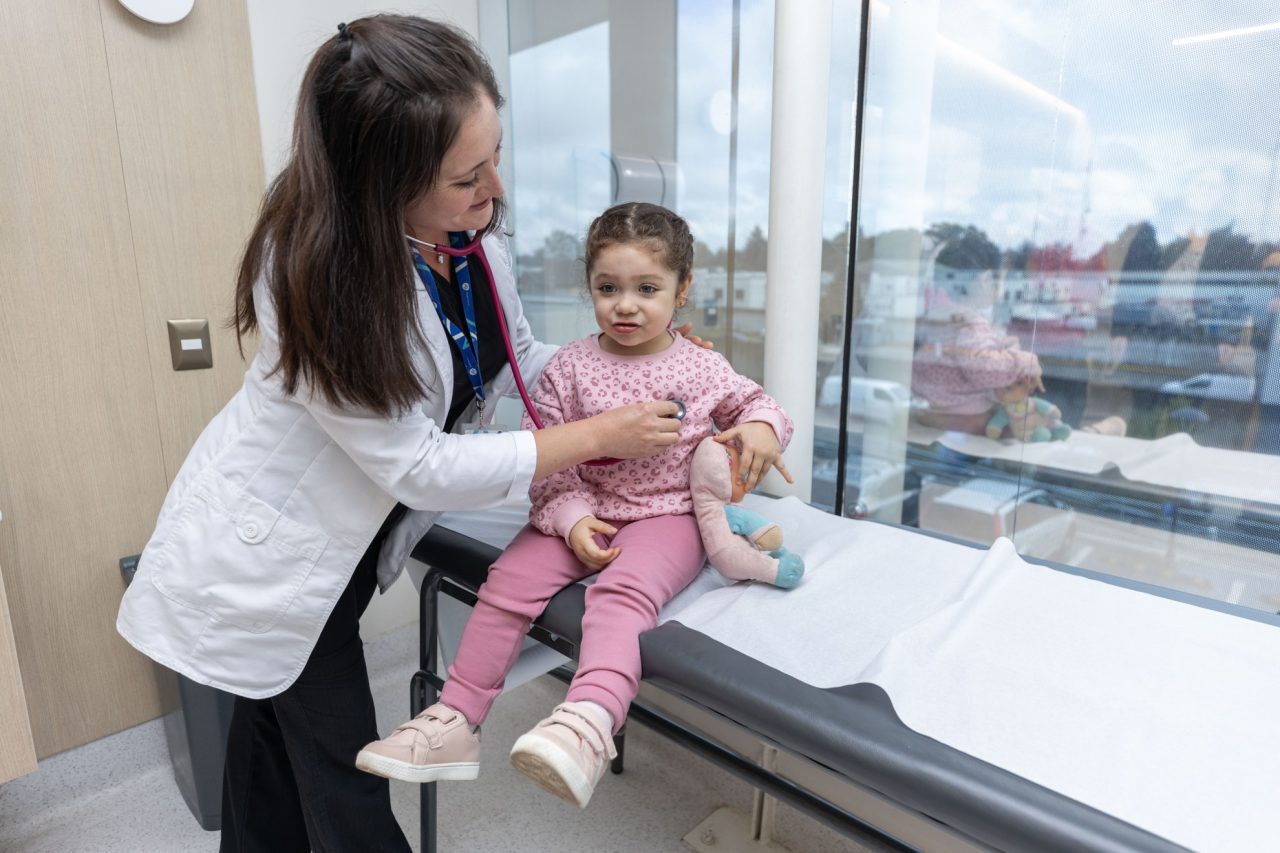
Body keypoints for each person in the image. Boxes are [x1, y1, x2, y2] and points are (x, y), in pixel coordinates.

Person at [115, 17, 699, 853]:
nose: (496, 188)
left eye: (496, 154)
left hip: (346, 552)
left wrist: (634, 365)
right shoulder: (315, 274)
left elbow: (523, 357)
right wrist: (600, 432)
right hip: (270, 555)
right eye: (469, 175)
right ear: (381, 181)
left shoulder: (462, 236)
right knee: (343, 778)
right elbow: (420, 464)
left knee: (268, 755)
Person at [356, 202, 795, 809]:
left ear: (683, 290)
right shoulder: (567, 369)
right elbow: (549, 462)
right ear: (588, 286)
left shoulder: (702, 367)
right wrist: (572, 518)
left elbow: (760, 406)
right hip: (581, 504)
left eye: (648, 288)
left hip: (668, 516)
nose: (626, 305)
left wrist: (763, 431)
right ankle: (456, 720)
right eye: (608, 287)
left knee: (620, 597)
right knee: (505, 583)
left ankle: (589, 722)